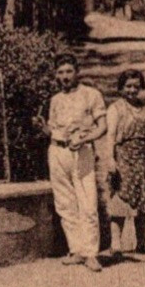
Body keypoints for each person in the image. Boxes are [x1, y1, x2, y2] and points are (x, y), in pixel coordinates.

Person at [45, 53, 106, 271]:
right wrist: (41, 127)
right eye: (60, 72)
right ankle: (76, 250)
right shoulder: (55, 100)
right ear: (56, 75)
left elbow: (102, 127)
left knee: (88, 202)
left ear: (77, 71)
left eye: (69, 71)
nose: (65, 76)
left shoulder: (91, 95)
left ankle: (91, 253)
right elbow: (53, 129)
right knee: (64, 203)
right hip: (57, 152)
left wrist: (85, 139)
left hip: (82, 153)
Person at [105, 69, 145, 254]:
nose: (132, 90)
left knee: (144, 199)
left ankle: (141, 243)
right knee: (121, 198)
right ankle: (116, 244)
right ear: (121, 87)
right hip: (125, 157)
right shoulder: (115, 108)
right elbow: (111, 135)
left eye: (136, 87)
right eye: (128, 86)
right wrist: (110, 158)